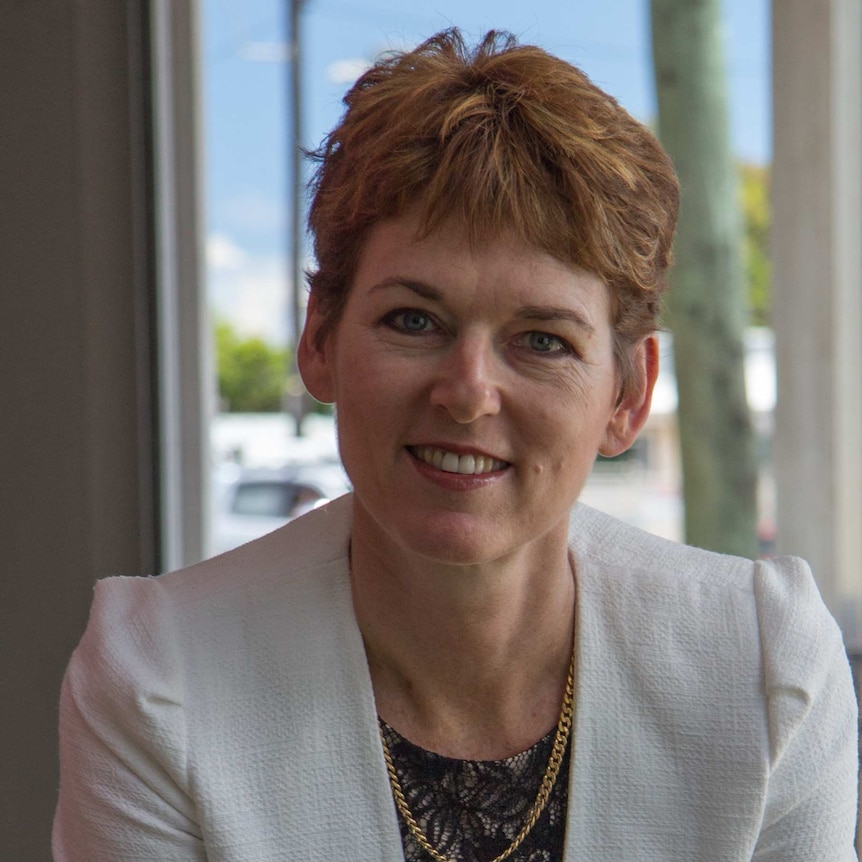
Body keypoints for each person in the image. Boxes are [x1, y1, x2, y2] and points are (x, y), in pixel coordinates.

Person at [53, 29, 858, 862]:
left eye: (542, 339)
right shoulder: (160, 682)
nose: (469, 392)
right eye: (414, 320)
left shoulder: (764, 675)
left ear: (628, 396)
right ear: (319, 341)